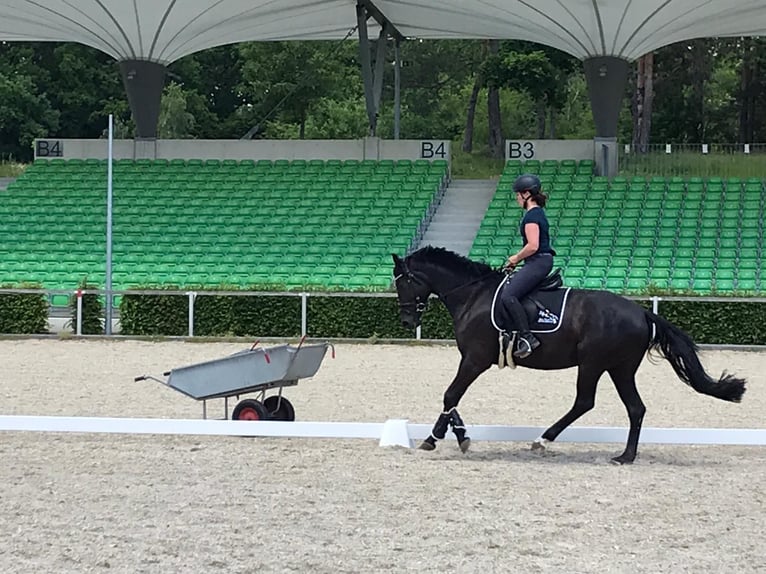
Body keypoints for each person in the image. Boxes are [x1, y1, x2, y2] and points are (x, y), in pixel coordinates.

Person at [500, 173, 555, 359]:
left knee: (508, 295)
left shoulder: (531, 216)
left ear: (526, 194)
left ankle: (527, 338)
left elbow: (533, 246)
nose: (516, 198)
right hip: (539, 260)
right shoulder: (537, 213)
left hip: (538, 260)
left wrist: (515, 258)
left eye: (517, 194)